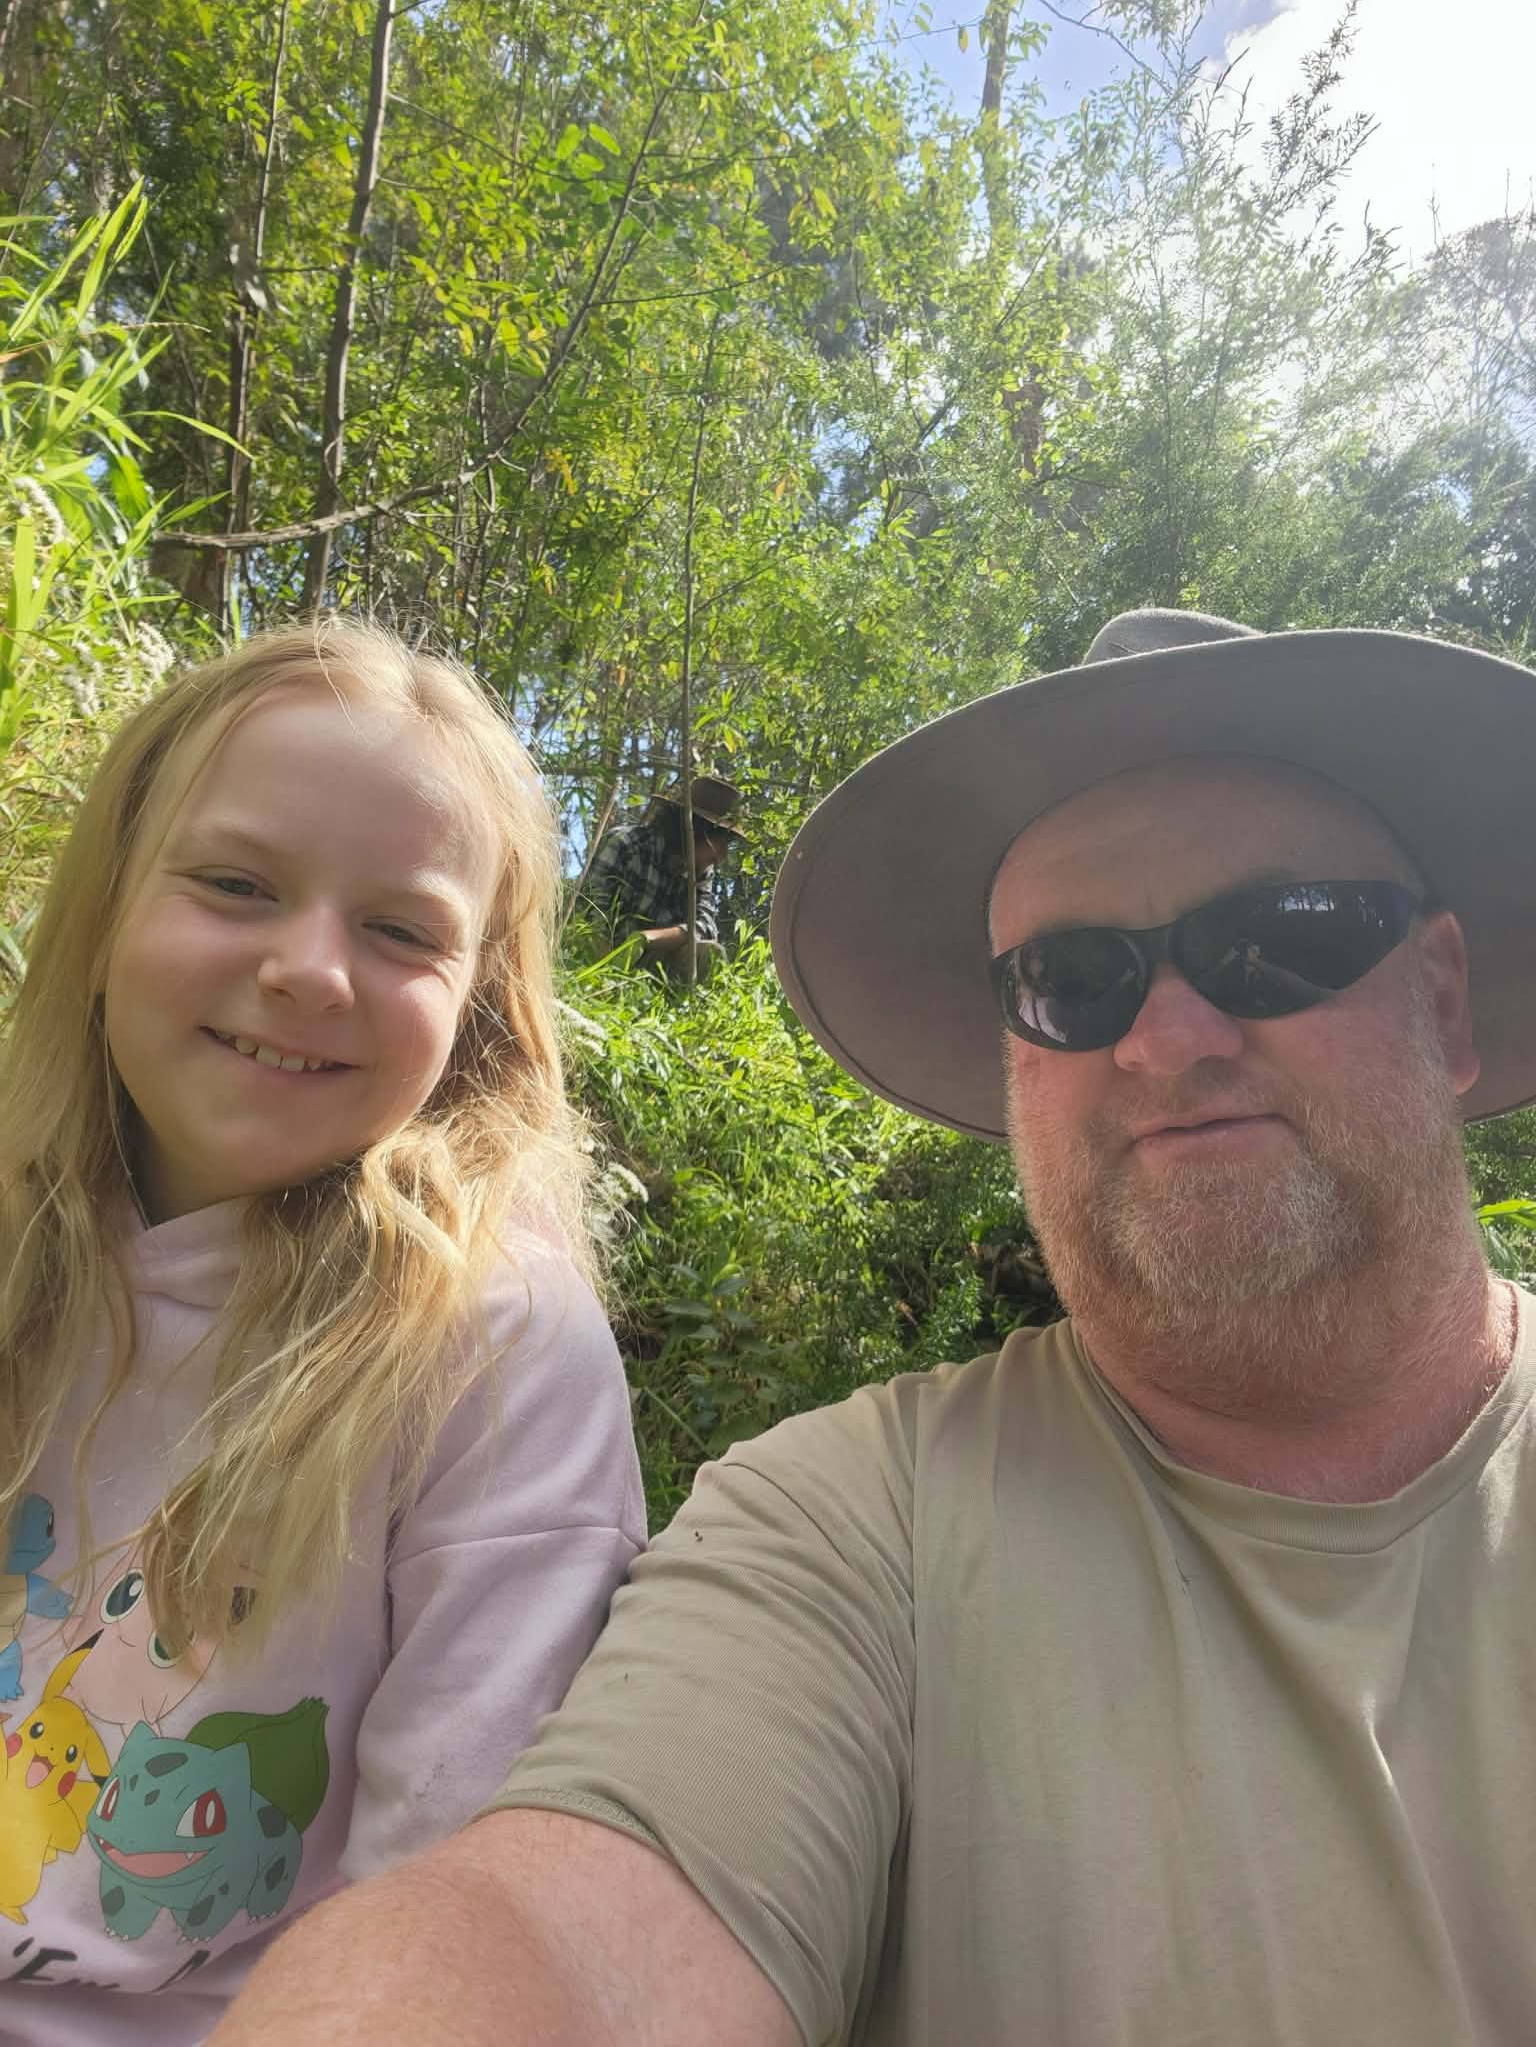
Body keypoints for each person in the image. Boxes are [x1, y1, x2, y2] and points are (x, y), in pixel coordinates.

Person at [211, 609, 1536, 2046]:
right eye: (1071, 980)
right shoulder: (853, 1529)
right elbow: (563, 1932)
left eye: (1275, 940)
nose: (1166, 1038)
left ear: (1446, 998)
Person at [0, 619, 645, 2042]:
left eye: (401, 931)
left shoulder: (492, 1347)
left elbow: (451, 1899)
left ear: (478, 1010)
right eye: (237, 884)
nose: (309, 969)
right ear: (101, 918)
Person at [582, 775, 747, 972]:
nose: (723, 855)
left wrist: (646, 939)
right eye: (720, 842)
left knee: (710, 953)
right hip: (606, 956)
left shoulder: (701, 872)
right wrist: (603, 973)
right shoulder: (626, 845)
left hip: (660, 963)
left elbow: (705, 926)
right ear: (694, 830)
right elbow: (592, 916)